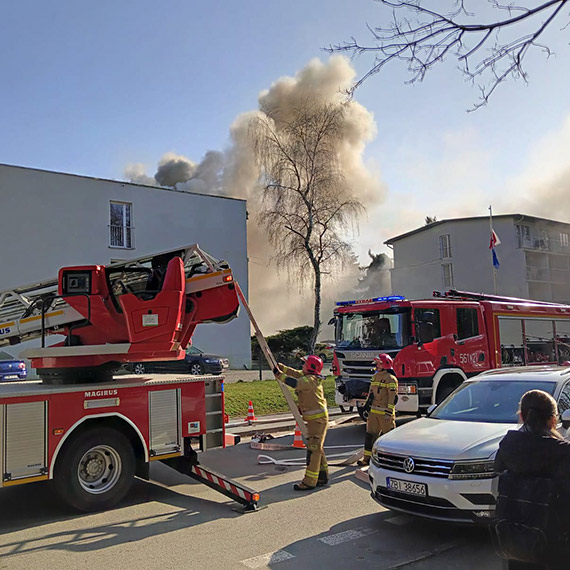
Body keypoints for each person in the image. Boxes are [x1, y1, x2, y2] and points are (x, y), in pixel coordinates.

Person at [492, 389, 570, 569]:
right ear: (553, 419)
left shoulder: (507, 445)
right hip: (556, 543)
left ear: (521, 416)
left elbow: (497, 483)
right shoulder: (563, 452)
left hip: (517, 541)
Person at [274, 355, 329, 491]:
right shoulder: (308, 377)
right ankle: (322, 476)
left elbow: (294, 383)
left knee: (314, 449)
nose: (302, 366)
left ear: (310, 367)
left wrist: (279, 375)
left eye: (304, 364)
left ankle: (309, 482)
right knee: (317, 448)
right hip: (315, 420)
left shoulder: (308, 380)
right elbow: (295, 374)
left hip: (317, 421)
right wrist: (282, 368)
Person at [357, 353, 398, 467]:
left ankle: (392, 461)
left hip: (385, 413)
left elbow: (392, 397)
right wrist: (366, 406)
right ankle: (367, 458)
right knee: (370, 435)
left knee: (388, 437)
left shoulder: (391, 379)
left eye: (379, 363)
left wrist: (389, 412)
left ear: (385, 364)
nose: (377, 365)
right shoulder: (375, 377)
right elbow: (371, 393)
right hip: (373, 411)